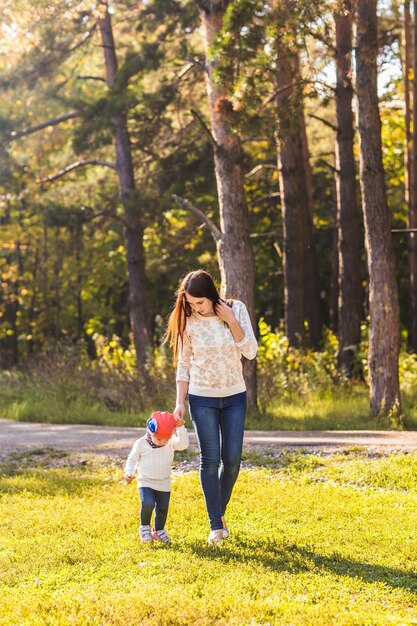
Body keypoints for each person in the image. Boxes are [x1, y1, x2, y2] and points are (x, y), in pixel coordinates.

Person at [166, 269, 258, 546]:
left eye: (200, 303)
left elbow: (250, 351)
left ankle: (219, 513)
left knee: (231, 460)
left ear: (212, 295)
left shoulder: (236, 310)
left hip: (234, 397)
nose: (196, 308)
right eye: (191, 304)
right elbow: (183, 365)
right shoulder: (188, 321)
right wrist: (179, 402)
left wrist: (230, 321)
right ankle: (216, 525)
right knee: (210, 459)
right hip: (201, 397)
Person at [125, 410, 189, 544]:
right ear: (150, 431)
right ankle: (144, 528)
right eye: (159, 439)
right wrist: (128, 472)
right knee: (147, 503)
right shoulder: (141, 443)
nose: (162, 442)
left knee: (162, 509)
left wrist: (181, 428)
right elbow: (132, 459)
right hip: (145, 481)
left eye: (165, 439)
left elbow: (183, 445)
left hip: (163, 482)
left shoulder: (170, 442)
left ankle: (158, 531)